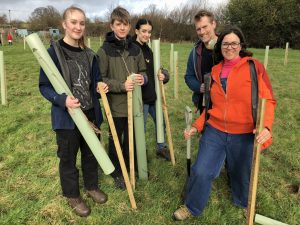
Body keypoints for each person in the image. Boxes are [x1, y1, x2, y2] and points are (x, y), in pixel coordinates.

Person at [173, 26, 276, 221]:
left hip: (245, 133)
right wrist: (196, 126)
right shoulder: (214, 71)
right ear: (220, 47)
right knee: (201, 170)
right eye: (226, 43)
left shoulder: (255, 67)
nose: (230, 47)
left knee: (242, 172)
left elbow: (269, 100)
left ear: (241, 45)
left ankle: (244, 202)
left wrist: (267, 127)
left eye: (234, 43)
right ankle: (191, 206)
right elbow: (210, 107)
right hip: (215, 131)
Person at [39, 6, 108, 217]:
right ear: (64, 24)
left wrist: (100, 86)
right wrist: (62, 100)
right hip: (67, 118)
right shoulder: (52, 53)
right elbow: (44, 86)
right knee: (68, 157)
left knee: (90, 154)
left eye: (82, 23)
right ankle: (72, 195)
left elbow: (96, 80)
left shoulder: (89, 54)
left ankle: (91, 186)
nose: (78, 27)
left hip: (90, 115)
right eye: (74, 22)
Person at [97, 7, 147, 189]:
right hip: (115, 106)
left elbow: (143, 70)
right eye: (118, 25)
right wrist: (121, 86)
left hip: (134, 107)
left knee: (131, 138)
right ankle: (117, 172)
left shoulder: (136, 49)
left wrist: (143, 78)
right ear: (112, 26)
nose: (122, 28)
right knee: (115, 140)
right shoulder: (104, 51)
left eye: (125, 24)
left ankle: (130, 165)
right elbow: (100, 79)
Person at [133, 18, 171, 161]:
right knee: (140, 130)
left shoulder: (148, 49)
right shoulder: (132, 48)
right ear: (136, 31)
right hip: (141, 99)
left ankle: (161, 148)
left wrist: (164, 75)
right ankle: (140, 156)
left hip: (153, 96)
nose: (147, 35)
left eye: (149, 32)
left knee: (161, 123)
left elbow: (157, 68)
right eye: (144, 31)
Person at [185, 10, 218, 113]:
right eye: (198, 29)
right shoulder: (195, 52)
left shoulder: (227, 46)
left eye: (205, 27)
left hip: (227, 103)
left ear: (213, 24)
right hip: (205, 104)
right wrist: (199, 87)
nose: (202, 32)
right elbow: (189, 76)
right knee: (204, 128)